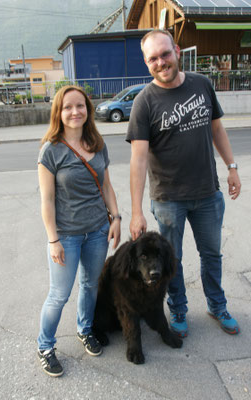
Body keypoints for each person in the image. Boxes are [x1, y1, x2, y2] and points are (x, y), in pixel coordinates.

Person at [126, 29, 241, 339]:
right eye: (153, 58)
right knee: (169, 261)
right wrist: (136, 211)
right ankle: (178, 310)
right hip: (167, 199)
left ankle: (217, 306)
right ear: (146, 63)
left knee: (212, 256)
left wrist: (231, 167)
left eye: (165, 54)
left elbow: (217, 129)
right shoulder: (144, 102)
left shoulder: (202, 84)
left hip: (207, 193)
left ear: (176, 50)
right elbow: (137, 160)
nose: (161, 62)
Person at [37, 85, 121, 377]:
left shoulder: (97, 143)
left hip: (98, 230)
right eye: (68, 107)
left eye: (80, 106)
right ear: (58, 112)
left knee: (90, 286)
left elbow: (107, 185)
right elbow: (47, 200)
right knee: (59, 295)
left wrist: (116, 218)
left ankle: (85, 330)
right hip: (67, 236)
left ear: (88, 109)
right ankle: (45, 345)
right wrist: (53, 240)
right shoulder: (51, 149)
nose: (75, 112)